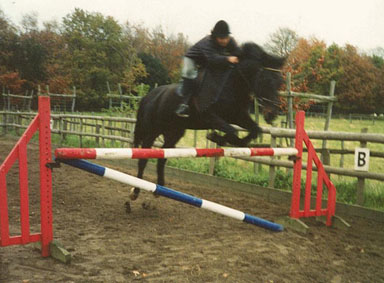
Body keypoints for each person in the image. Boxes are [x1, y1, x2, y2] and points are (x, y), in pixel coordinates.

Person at [175, 20, 241, 117]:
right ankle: (183, 104)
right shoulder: (207, 42)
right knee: (189, 74)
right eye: (221, 38)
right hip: (193, 59)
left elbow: (238, 52)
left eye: (226, 38)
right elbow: (213, 59)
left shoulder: (230, 41)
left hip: (206, 60)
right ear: (215, 36)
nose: (224, 41)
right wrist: (228, 58)